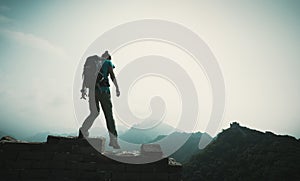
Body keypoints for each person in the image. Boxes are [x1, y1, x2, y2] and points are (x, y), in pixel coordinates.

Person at [79, 51, 121, 149]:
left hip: (92, 92)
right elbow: (112, 76)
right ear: (108, 57)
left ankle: (83, 131)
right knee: (108, 115)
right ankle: (113, 140)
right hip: (104, 92)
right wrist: (117, 88)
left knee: (94, 113)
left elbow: (85, 77)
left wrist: (83, 90)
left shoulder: (92, 63)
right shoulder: (108, 63)